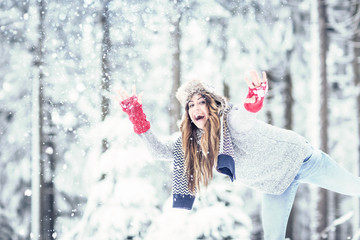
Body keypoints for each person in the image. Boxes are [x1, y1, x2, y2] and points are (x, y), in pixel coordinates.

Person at [117, 71, 360, 240]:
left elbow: (247, 113)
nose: (195, 109)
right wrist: (136, 116)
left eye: (201, 102)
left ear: (212, 105)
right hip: (274, 185)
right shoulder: (194, 143)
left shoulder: (231, 119)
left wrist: (255, 95)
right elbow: (158, 150)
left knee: (354, 188)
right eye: (190, 105)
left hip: (301, 160)